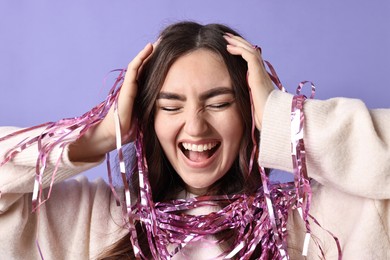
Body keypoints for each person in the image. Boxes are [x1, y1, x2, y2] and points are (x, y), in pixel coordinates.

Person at [0, 21, 389, 259]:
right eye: (170, 107)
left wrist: (282, 118)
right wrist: (97, 136)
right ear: (145, 119)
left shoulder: (308, 222)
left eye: (218, 103)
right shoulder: (94, 217)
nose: (195, 127)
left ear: (249, 112)